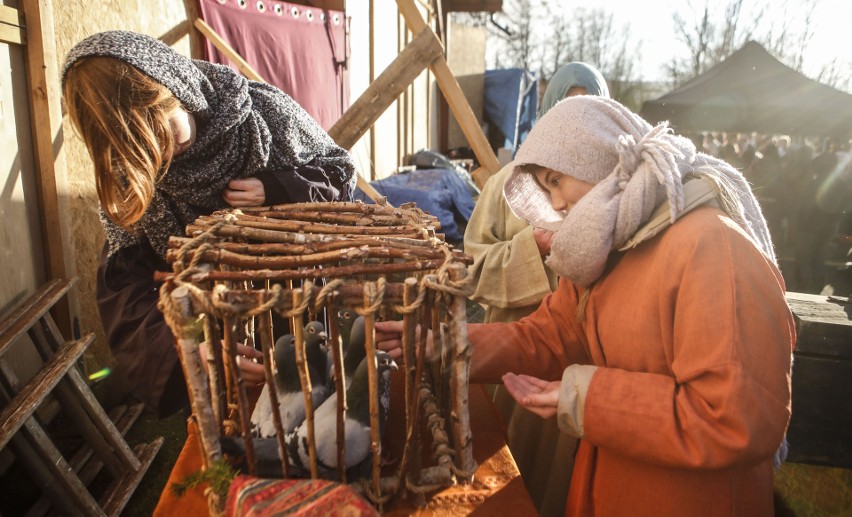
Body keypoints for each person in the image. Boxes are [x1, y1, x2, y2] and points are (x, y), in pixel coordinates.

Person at [378, 96, 794, 515]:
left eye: (557, 180)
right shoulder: (614, 249)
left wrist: (586, 398)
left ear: (599, 157)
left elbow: (731, 418)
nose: (555, 204)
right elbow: (549, 335)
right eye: (547, 188)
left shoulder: (713, 248)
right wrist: (448, 347)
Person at [62, 30, 356, 416]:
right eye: (143, 147)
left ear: (179, 87)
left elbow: (339, 176)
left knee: (316, 408)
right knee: (242, 435)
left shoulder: (262, 117)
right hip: (219, 334)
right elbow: (126, 291)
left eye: (164, 128)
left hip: (300, 304)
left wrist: (280, 186)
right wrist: (185, 352)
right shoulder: (131, 178)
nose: (164, 152)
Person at [462, 62, 608, 514]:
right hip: (512, 355)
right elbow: (472, 269)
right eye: (568, 106)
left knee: (562, 483)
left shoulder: (611, 197)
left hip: (580, 372)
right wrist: (533, 247)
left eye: (590, 110)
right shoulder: (508, 186)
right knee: (504, 471)